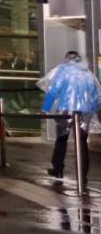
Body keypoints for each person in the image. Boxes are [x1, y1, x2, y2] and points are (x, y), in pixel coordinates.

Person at [41, 49, 100, 184]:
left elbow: (53, 91)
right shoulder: (87, 73)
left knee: (61, 139)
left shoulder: (62, 71)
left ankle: (58, 168)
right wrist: (93, 111)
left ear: (67, 58)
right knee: (82, 142)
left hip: (66, 111)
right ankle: (83, 174)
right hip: (85, 112)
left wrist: (46, 108)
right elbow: (96, 95)